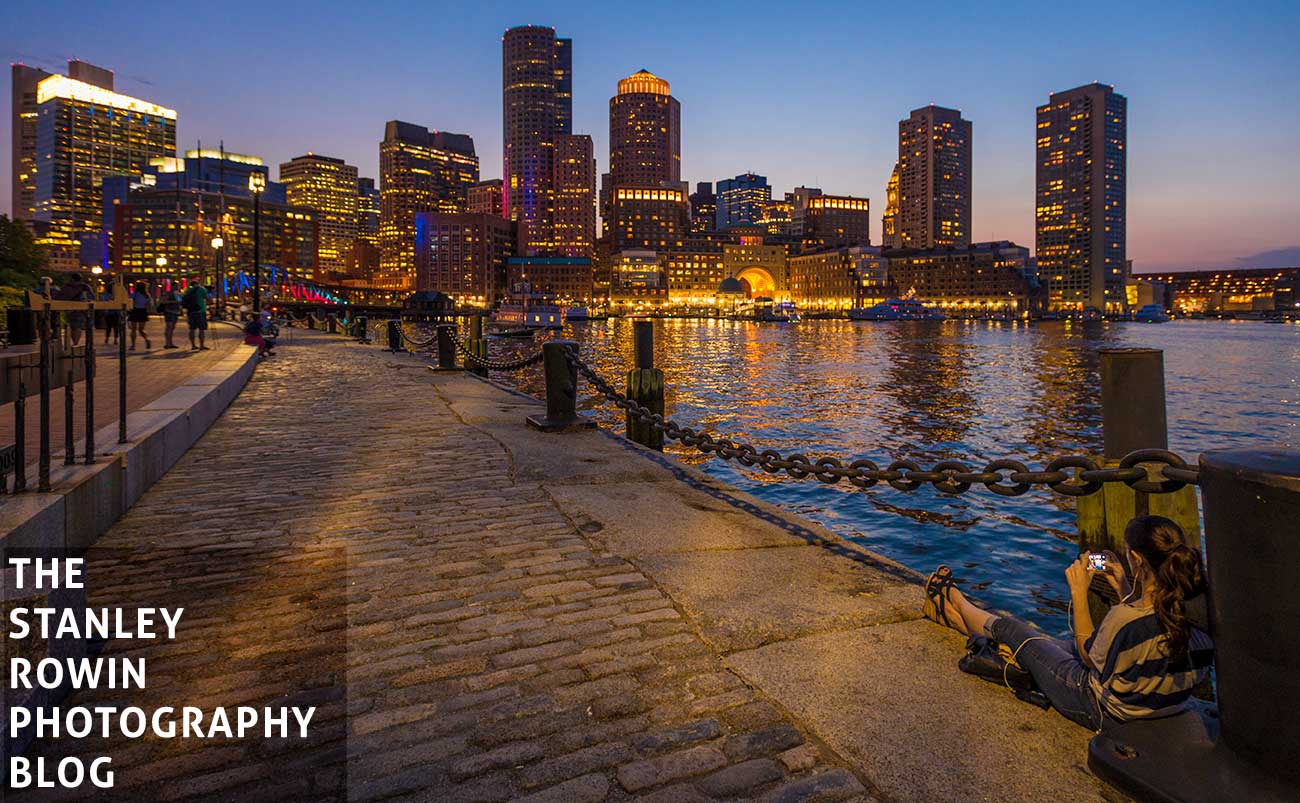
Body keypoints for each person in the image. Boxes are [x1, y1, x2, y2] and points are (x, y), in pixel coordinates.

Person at [923, 515, 1213, 730]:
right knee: (1047, 643)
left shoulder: (1126, 618)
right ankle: (947, 614)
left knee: (1014, 630)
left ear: (1136, 558)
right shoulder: (1192, 614)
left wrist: (1079, 591)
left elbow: (1088, 655)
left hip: (1098, 705)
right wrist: (1124, 587)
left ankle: (951, 598)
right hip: (1163, 706)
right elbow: (1139, 638)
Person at [53, 273, 94, 346]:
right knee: (78, 326)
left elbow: (60, 296)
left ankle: (74, 342)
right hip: (82, 309)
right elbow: (91, 297)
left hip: (69, 308)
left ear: (72, 279)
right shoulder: (85, 286)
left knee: (72, 326)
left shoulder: (67, 287)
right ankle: (76, 343)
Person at [182, 283, 210, 351]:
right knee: (201, 329)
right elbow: (207, 298)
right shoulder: (202, 289)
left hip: (191, 311)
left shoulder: (188, 290)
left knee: (192, 329)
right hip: (200, 310)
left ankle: (193, 345)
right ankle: (201, 345)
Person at [127, 281, 152, 351]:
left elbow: (130, 302)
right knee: (141, 329)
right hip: (143, 311)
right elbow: (149, 304)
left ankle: (133, 345)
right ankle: (147, 339)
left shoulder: (134, 294)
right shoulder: (147, 295)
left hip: (135, 311)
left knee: (133, 329)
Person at [159, 284, 183, 349]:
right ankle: (167, 343)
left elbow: (180, 302)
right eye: (175, 286)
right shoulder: (168, 293)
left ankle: (170, 343)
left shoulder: (179, 294)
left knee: (172, 327)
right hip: (169, 311)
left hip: (176, 312)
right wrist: (174, 302)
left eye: (177, 286)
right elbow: (163, 301)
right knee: (169, 327)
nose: (177, 287)